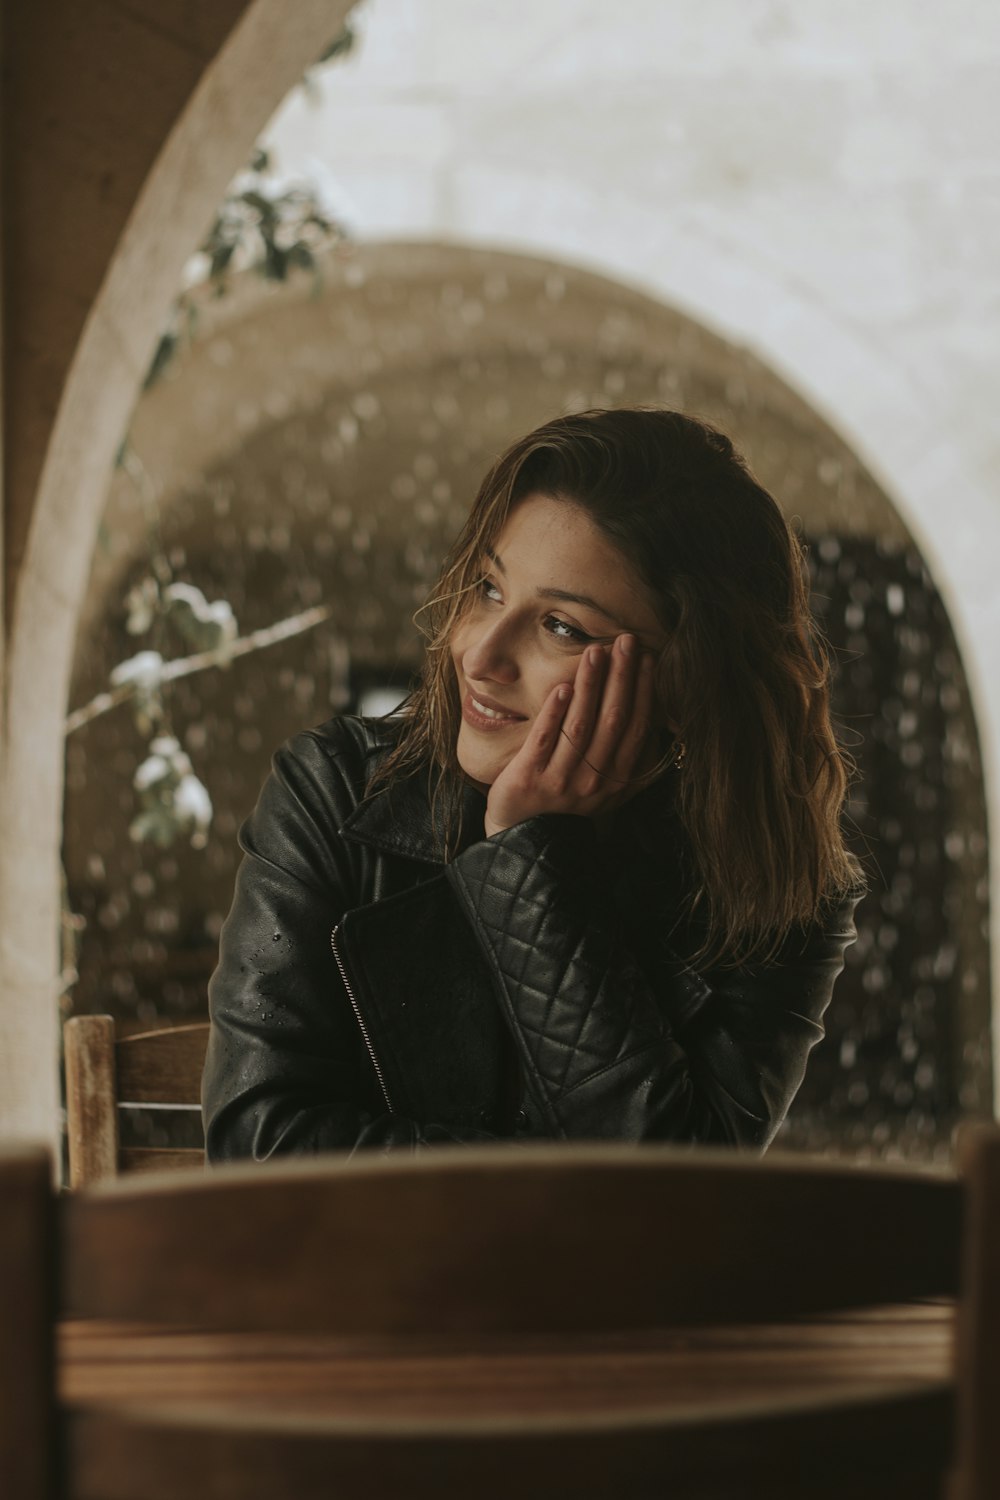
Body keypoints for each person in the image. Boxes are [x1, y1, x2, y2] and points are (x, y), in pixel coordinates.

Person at [202, 407, 864, 1160]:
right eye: (488, 588)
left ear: (689, 683)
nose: (480, 654)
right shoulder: (332, 790)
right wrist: (555, 1198)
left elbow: (677, 1203)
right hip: (354, 1283)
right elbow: (257, 1148)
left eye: (562, 627)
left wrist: (532, 860)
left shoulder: (775, 893)